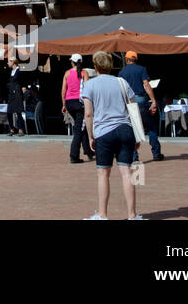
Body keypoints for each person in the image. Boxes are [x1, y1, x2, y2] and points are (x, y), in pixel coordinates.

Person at [81, 51, 142, 220]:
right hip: (125, 129)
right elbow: (133, 108)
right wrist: (137, 134)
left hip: (103, 132)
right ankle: (132, 215)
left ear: (95, 67)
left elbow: (88, 114)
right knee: (127, 173)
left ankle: (102, 215)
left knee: (103, 174)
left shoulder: (90, 85)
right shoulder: (121, 82)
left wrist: (90, 136)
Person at [118, 51, 163, 161]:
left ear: (127, 59)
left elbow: (121, 89)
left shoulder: (122, 72)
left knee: (133, 128)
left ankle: (134, 156)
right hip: (141, 98)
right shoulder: (141, 69)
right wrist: (153, 101)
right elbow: (146, 85)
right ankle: (156, 153)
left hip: (129, 101)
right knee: (150, 126)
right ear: (136, 59)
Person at [62, 54, 92, 163]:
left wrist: (64, 104)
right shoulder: (84, 73)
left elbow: (63, 90)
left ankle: (88, 151)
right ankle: (74, 155)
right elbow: (88, 89)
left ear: (72, 62)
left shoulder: (67, 73)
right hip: (80, 103)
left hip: (70, 103)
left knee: (81, 126)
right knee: (79, 129)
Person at [5, 57, 26, 136]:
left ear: (13, 62)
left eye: (9, 62)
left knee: (18, 112)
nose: (7, 63)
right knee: (9, 112)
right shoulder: (10, 71)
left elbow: (23, 82)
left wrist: (23, 88)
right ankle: (12, 129)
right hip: (11, 94)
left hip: (17, 94)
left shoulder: (19, 71)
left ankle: (21, 130)